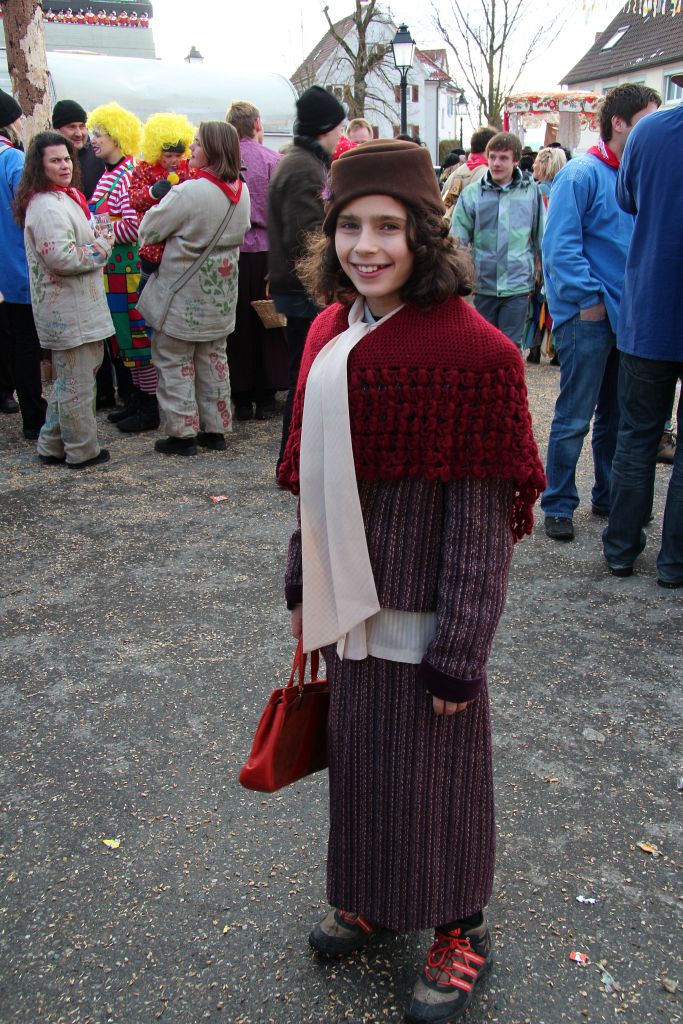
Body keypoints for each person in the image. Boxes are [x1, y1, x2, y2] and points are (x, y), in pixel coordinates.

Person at [277, 140, 546, 1023]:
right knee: (362, 765)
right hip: (344, 607)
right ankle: (372, 896)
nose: (365, 246)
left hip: (423, 618)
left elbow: (479, 524)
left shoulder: (477, 355)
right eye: (349, 226)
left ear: (424, 235)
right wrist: (301, 584)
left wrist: (460, 651)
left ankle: (459, 924)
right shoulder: (328, 332)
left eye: (388, 227)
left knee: (438, 780)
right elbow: (312, 480)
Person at [540, 84, 661, 541]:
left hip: (627, 317)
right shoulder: (580, 175)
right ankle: (558, 503)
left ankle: (608, 496)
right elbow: (559, 249)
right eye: (647, 119)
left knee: (616, 416)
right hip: (588, 318)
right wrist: (589, 302)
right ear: (619, 123)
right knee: (575, 416)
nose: (654, 129)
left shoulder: (635, 175)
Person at [602, 87, 683, 587]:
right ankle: (675, 562)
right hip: (651, 309)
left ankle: (621, 550)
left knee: (635, 436)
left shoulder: (650, 131)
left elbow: (626, 198)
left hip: (651, 306)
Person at [136, 121, 251, 456]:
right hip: (220, 296)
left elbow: (150, 229)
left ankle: (182, 433)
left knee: (174, 360)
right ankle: (216, 428)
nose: (192, 150)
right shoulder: (241, 190)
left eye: (198, 143)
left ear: (211, 149)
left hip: (183, 293)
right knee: (213, 359)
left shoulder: (189, 191)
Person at [16, 131, 114, 468]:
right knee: (77, 384)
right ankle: (81, 450)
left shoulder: (62, 198)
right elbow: (62, 258)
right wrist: (102, 246)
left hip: (75, 306)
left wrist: (96, 240)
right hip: (67, 310)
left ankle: (52, 444)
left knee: (69, 382)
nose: (65, 165)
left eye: (67, 159)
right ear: (39, 166)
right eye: (55, 160)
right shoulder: (46, 206)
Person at [267, 85, 345, 473]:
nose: (341, 135)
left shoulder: (301, 161)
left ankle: (296, 455)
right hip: (305, 289)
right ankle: (293, 457)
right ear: (325, 127)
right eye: (338, 127)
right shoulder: (303, 167)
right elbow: (308, 237)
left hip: (299, 285)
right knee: (307, 375)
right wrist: (329, 281)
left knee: (307, 371)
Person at [121, 112, 196, 432]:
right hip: (152, 252)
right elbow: (133, 199)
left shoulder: (190, 171)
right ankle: (147, 399)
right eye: (168, 155)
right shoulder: (142, 170)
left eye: (178, 154)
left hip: (179, 254)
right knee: (146, 313)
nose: (173, 160)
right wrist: (154, 193)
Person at [87, 103, 155, 430]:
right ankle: (137, 399)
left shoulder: (128, 174)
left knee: (139, 339)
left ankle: (150, 405)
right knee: (126, 340)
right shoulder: (108, 174)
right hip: (113, 272)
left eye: (99, 134)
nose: (93, 140)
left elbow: (135, 226)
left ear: (117, 136)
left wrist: (100, 231)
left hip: (127, 271)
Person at [451, 131, 544, 349]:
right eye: (492, 157)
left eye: (503, 158)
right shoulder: (472, 194)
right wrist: (458, 281)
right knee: (482, 346)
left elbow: (542, 237)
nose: (496, 163)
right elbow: (457, 241)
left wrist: (545, 279)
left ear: (515, 161)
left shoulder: (531, 192)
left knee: (510, 348)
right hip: (483, 285)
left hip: (517, 285)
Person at [226, 100, 288, 421]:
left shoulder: (223, 160)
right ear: (257, 124)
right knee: (269, 320)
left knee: (236, 322)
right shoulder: (273, 160)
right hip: (266, 250)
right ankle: (266, 396)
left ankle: (240, 396)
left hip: (232, 251)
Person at [0, 87, 47, 440]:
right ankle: (34, 417)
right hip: (19, 268)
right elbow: (32, 211)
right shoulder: (13, 160)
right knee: (26, 345)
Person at [524, 146, 567, 365]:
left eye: (537, 161)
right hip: (559, 253)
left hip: (538, 255)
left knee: (536, 302)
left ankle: (534, 347)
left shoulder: (536, 191)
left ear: (544, 165)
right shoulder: (564, 190)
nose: (533, 165)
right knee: (554, 303)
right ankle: (556, 348)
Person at [52, 99, 104, 200]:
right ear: (57, 130)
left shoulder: (99, 156)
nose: (79, 133)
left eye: (82, 126)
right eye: (72, 127)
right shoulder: (47, 160)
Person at [441, 126, 497, 223]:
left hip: (450, 230)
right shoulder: (490, 176)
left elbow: (442, 207)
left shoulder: (454, 175)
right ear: (490, 148)